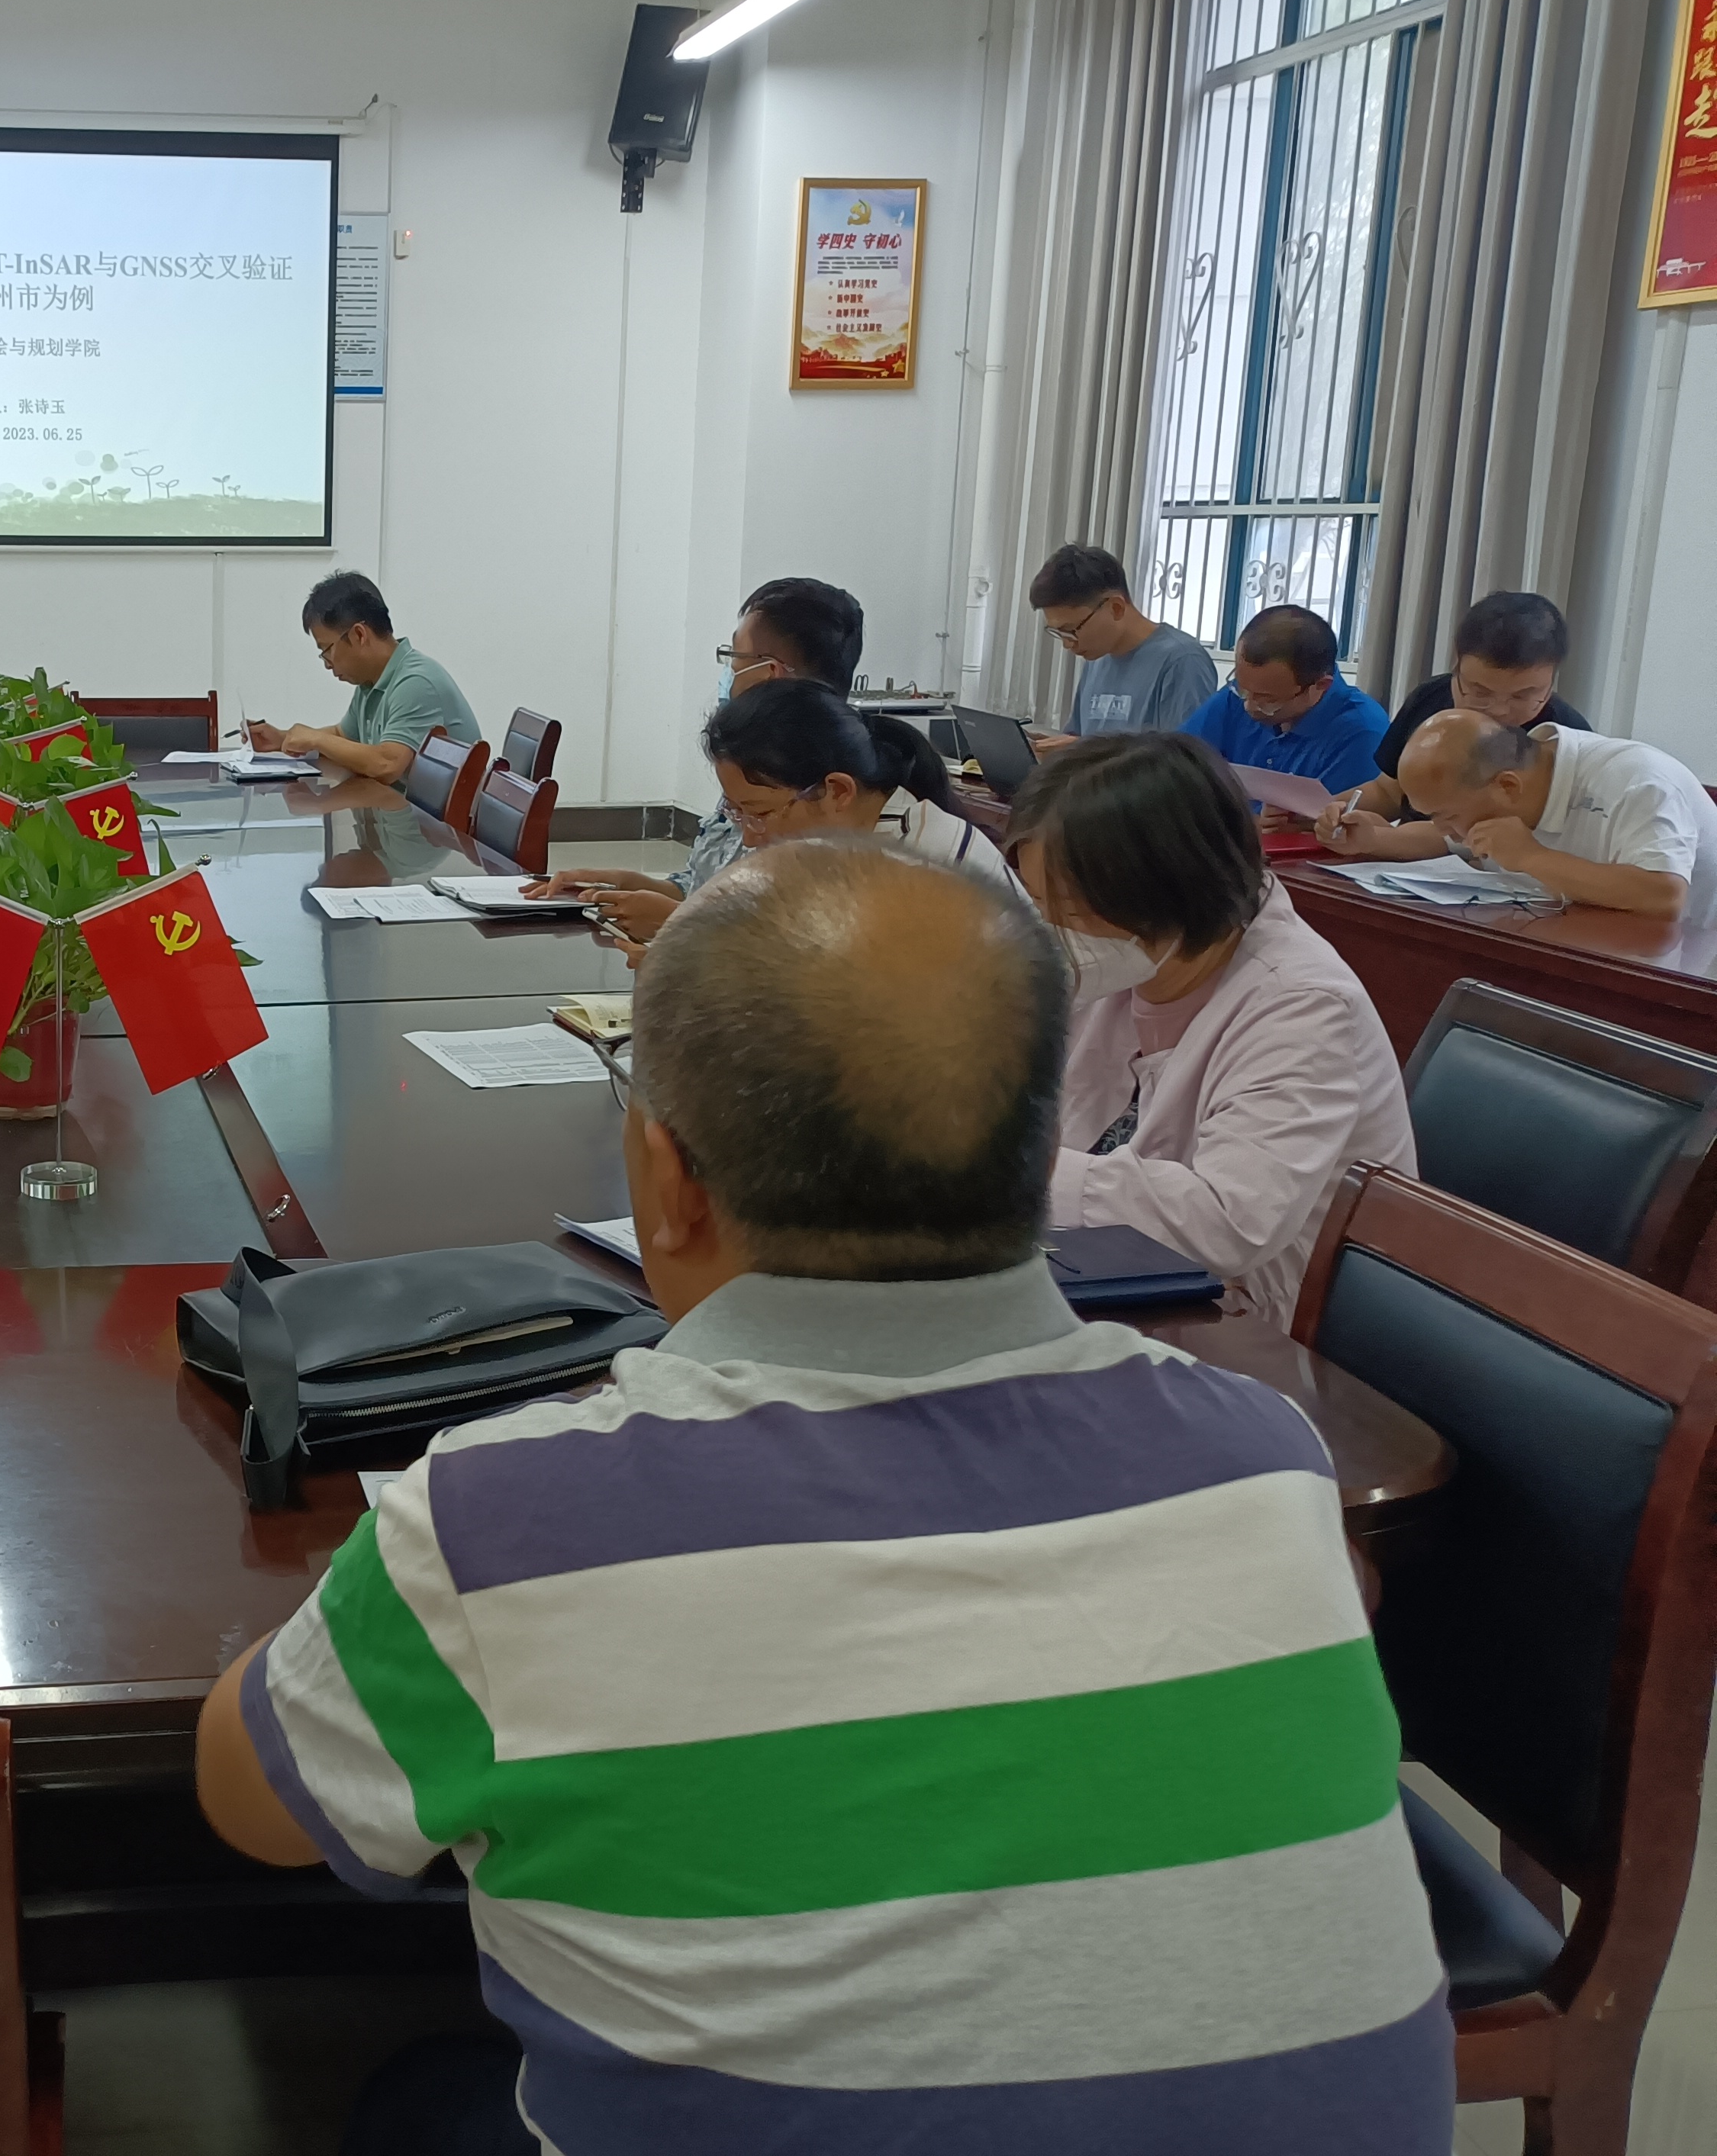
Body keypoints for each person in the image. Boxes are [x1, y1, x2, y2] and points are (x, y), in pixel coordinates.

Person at [198, 838, 1449, 2154]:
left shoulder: (499, 1519)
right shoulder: (1264, 1459)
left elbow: (254, 1805)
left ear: (667, 1181)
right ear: (1043, 1153)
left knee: (410, 2096)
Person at [1011, 732, 1414, 1327]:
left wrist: (1023, 1170)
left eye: (1068, 910)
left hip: (1260, 1323)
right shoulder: (1129, 957)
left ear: (1173, 886)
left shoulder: (1301, 1004)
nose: (1051, 931)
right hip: (1112, 1270)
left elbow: (1227, 1221)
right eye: (1036, 901)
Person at [526, 575, 865, 939]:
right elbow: (703, 888)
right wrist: (624, 884)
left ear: (770, 673)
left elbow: (797, 947)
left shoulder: (812, 789)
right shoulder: (747, 763)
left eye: (734, 659)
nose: (751, 834)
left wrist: (678, 923)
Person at [1322, 707, 1714, 923]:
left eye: (1446, 815)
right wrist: (1378, 839)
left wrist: (1532, 857)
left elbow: (1664, 895)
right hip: (1585, 935)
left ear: (1507, 786)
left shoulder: (1639, 782)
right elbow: (1454, 840)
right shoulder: (1506, 786)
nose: (1446, 829)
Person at [703, 676, 1016, 888]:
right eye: (736, 812)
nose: (750, 839)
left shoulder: (920, 866)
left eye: (759, 813)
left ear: (838, 791)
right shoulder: (846, 841)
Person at [1319, 590, 1590, 831]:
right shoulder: (1430, 699)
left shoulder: (1564, 740)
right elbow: (1388, 792)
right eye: (1480, 692)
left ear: (1551, 683)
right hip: (1400, 865)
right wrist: (1326, 811)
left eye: (1522, 696)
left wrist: (1386, 839)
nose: (1499, 711)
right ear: (1456, 666)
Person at [243, 572, 478, 785]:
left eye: (326, 650)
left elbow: (388, 764)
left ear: (359, 635)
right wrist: (283, 738)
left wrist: (315, 740)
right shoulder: (371, 681)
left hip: (439, 820)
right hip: (397, 810)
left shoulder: (416, 682)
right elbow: (343, 736)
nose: (327, 664)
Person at [1174, 603, 1390, 793]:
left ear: (1320, 686)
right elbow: (1176, 764)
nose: (1249, 706)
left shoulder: (1362, 732)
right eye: (1242, 689)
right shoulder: (1239, 697)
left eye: (1267, 700)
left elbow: (1331, 821)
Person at [1027, 542, 1217, 744]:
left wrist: (1084, 751)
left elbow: (1186, 757)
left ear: (1116, 608)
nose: (1068, 644)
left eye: (1072, 630)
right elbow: (1079, 737)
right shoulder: (1097, 658)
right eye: (1059, 633)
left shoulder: (1182, 662)